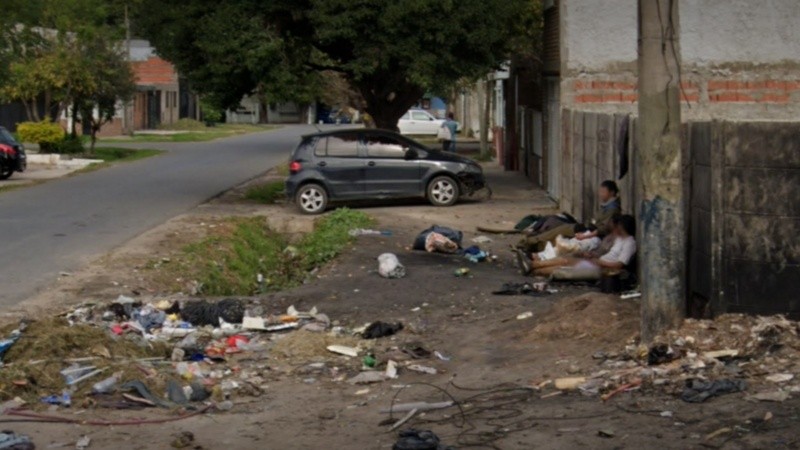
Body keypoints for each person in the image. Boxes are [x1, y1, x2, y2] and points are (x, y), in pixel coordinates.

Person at [516, 180, 622, 253]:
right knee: (556, 229)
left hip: (591, 233)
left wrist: (585, 236)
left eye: (603, 192)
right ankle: (533, 243)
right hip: (588, 229)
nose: (600, 194)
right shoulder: (607, 205)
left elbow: (603, 229)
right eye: (600, 191)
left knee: (559, 231)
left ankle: (530, 242)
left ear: (612, 192)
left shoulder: (612, 209)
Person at [517, 214, 636, 278]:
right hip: (599, 262)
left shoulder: (629, 243)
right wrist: (593, 256)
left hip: (604, 268)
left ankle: (534, 267)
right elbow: (608, 253)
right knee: (566, 259)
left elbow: (619, 265)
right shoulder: (619, 238)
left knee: (565, 264)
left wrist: (599, 262)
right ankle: (533, 266)